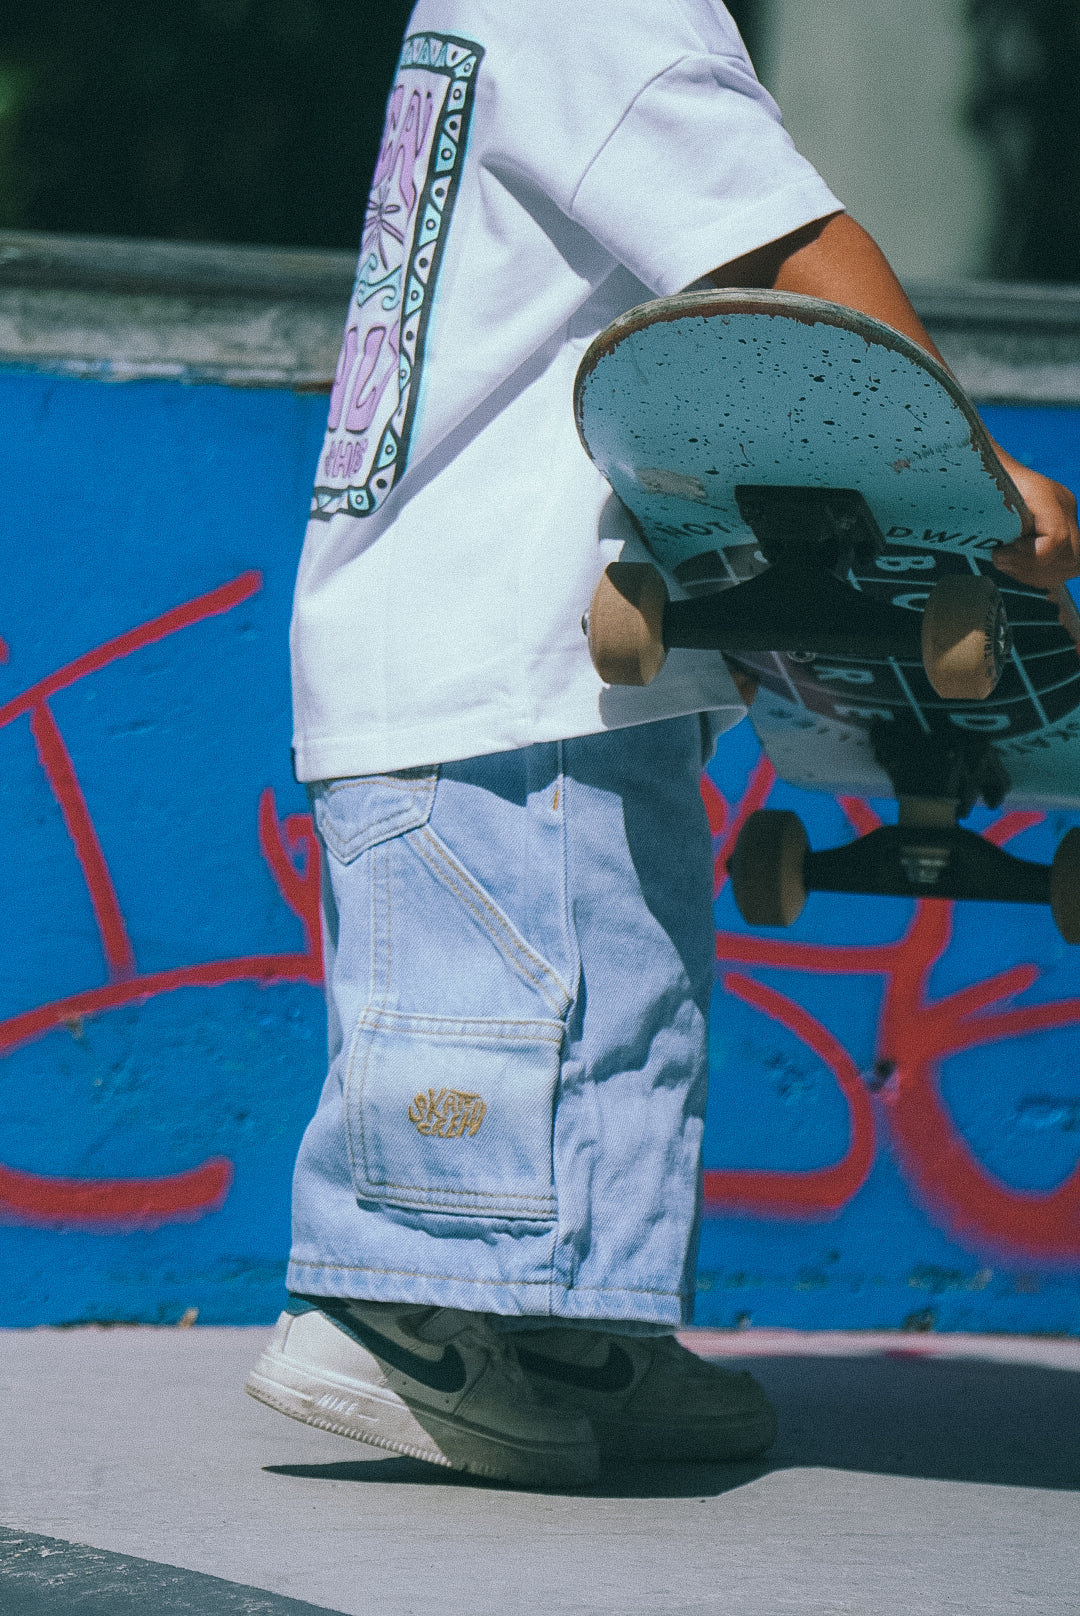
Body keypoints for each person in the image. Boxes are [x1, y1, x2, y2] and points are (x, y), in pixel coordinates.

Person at [246, 0, 1080, 1489]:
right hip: (492, 655)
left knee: (620, 995)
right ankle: (394, 1316)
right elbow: (772, 246)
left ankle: (573, 1331)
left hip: (557, 660)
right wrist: (964, 469)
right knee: (517, 1005)